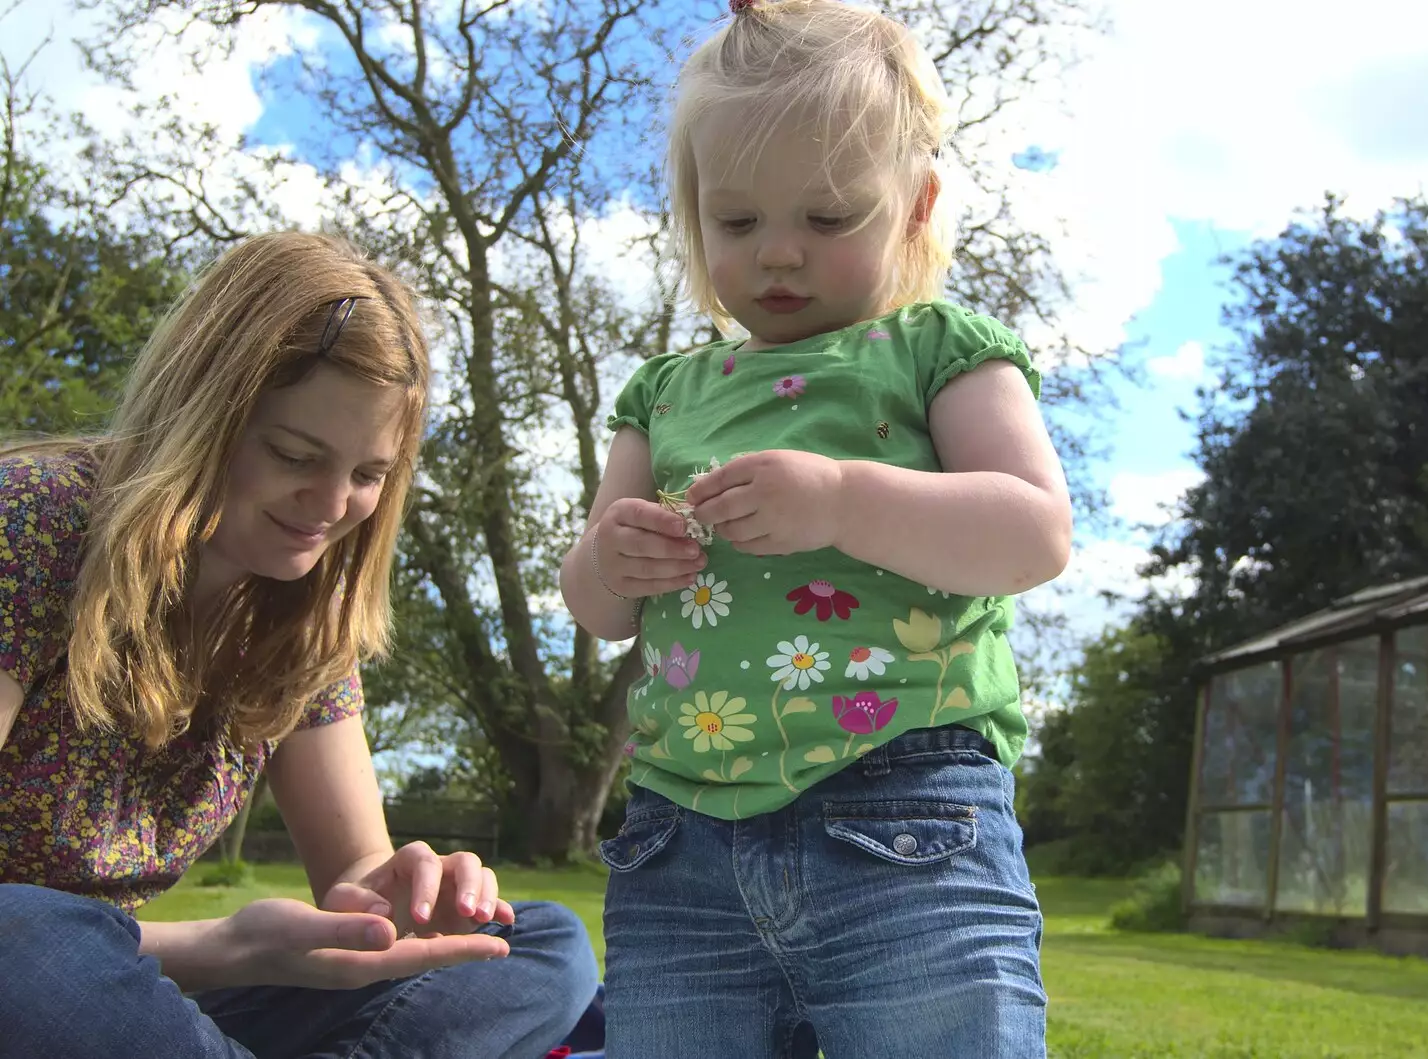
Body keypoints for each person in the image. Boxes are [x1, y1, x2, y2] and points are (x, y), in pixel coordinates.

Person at [558, 1, 1071, 1055]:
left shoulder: (939, 349)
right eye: (738, 223)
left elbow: (1032, 534)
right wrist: (613, 556)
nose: (779, 255)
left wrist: (843, 499)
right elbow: (599, 608)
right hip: (677, 848)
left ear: (916, 205)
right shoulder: (663, 393)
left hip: (911, 816)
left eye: (829, 218)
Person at [0, 231, 600, 1059]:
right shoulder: (31, 522)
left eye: (367, 473)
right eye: (294, 455)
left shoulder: (304, 610)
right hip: (42, 973)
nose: (329, 503)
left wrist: (408, 897)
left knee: (541, 942)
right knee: (25, 934)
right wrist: (222, 948)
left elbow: (356, 881)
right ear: (204, 413)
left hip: (138, 1000)